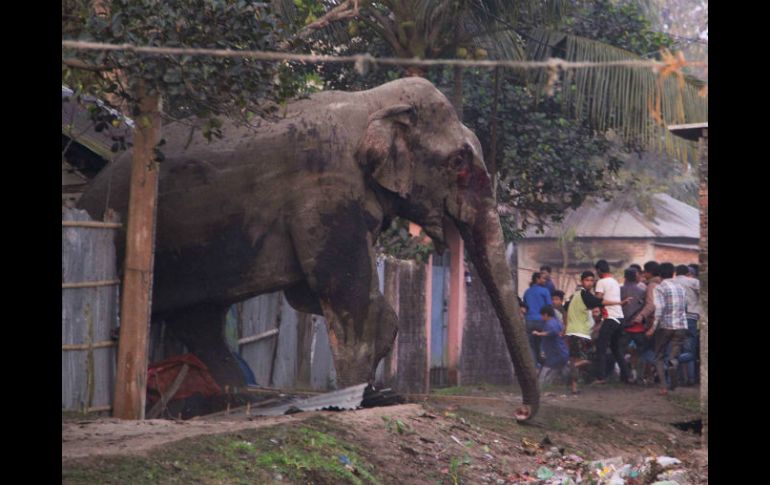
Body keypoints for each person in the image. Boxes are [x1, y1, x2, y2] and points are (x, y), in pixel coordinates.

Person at [563, 271, 628, 393]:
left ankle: (574, 388)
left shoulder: (575, 295)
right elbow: (600, 302)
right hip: (580, 332)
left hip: (572, 331)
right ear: (582, 281)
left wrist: (566, 326)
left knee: (574, 358)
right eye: (587, 280)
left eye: (592, 280)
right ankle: (574, 370)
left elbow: (565, 309)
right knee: (585, 360)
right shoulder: (585, 294)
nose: (590, 283)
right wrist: (619, 303)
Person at [647, 262, 689, 395]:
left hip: (665, 327)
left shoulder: (660, 288)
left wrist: (653, 328)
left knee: (658, 356)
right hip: (681, 326)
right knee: (673, 356)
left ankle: (664, 387)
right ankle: (673, 368)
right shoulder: (681, 288)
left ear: (659, 275)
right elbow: (685, 307)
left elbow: (659, 310)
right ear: (673, 273)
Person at [593, 260, 632, 384]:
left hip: (610, 318)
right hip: (619, 318)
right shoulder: (615, 281)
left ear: (599, 270)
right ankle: (626, 376)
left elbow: (598, 300)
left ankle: (600, 377)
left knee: (601, 347)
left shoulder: (601, 282)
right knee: (616, 349)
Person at [630, 261, 662, 384]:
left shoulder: (651, 285)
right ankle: (656, 376)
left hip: (652, 322)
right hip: (664, 322)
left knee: (645, 350)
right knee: (657, 350)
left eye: (645, 271)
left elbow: (651, 305)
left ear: (649, 272)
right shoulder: (664, 283)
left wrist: (640, 316)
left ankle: (645, 377)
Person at [620, 267, 648, 383]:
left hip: (624, 327)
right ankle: (640, 378)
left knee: (620, 352)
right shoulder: (642, 291)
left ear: (625, 277)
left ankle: (625, 376)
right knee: (641, 353)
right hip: (638, 327)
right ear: (636, 277)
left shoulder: (620, 290)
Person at [674, 264, 701, 385]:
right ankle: (691, 379)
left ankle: (679, 378)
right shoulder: (694, 282)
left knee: (676, 348)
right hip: (691, 317)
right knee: (689, 350)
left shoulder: (671, 282)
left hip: (675, 319)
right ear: (687, 273)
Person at [531, 305, 569, 386]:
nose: (541, 317)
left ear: (546, 315)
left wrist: (539, 333)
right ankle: (570, 384)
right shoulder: (557, 322)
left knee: (546, 371)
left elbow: (553, 332)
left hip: (555, 352)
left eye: (542, 315)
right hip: (561, 351)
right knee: (560, 371)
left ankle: (540, 386)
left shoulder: (550, 324)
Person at [523, 272, 553, 365]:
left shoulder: (527, 292)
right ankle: (545, 366)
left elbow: (524, 306)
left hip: (529, 321)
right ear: (537, 279)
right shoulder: (545, 291)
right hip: (541, 321)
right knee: (542, 344)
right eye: (543, 279)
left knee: (531, 345)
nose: (545, 281)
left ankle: (535, 366)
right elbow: (549, 307)